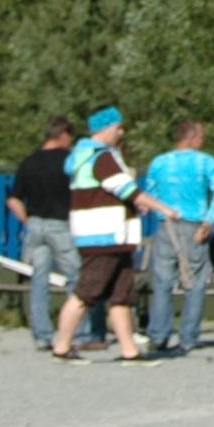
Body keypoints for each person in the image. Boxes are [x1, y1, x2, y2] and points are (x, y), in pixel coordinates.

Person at [52, 108, 154, 364]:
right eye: (118, 128)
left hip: (117, 237)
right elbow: (126, 189)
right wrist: (165, 209)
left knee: (121, 295)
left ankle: (129, 350)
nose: (121, 133)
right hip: (103, 236)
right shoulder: (100, 157)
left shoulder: (93, 156)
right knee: (86, 292)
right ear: (105, 128)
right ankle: (62, 347)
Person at [140, 120, 214, 354]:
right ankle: (188, 336)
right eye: (201, 136)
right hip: (195, 226)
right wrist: (209, 221)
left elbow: (149, 193)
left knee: (162, 282)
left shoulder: (159, 163)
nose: (203, 141)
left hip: (166, 226)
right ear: (192, 138)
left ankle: (158, 335)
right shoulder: (205, 162)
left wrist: (162, 209)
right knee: (195, 282)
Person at [6, 118, 83, 350]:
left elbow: (13, 199)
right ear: (63, 135)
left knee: (39, 279)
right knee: (76, 277)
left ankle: (42, 334)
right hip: (60, 224)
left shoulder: (28, 162)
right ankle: (76, 333)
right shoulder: (68, 162)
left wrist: (28, 220)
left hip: (36, 224)